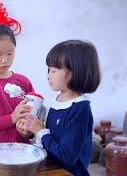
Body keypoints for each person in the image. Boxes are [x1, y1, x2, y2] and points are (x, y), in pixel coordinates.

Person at [17, 40, 101, 175]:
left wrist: (40, 131)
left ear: (75, 72)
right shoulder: (57, 101)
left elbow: (67, 156)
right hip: (52, 169)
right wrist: (29, 131)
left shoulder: (80, 109)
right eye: (48, 69)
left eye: (54, 70)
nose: (49, 75)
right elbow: (50, 139)